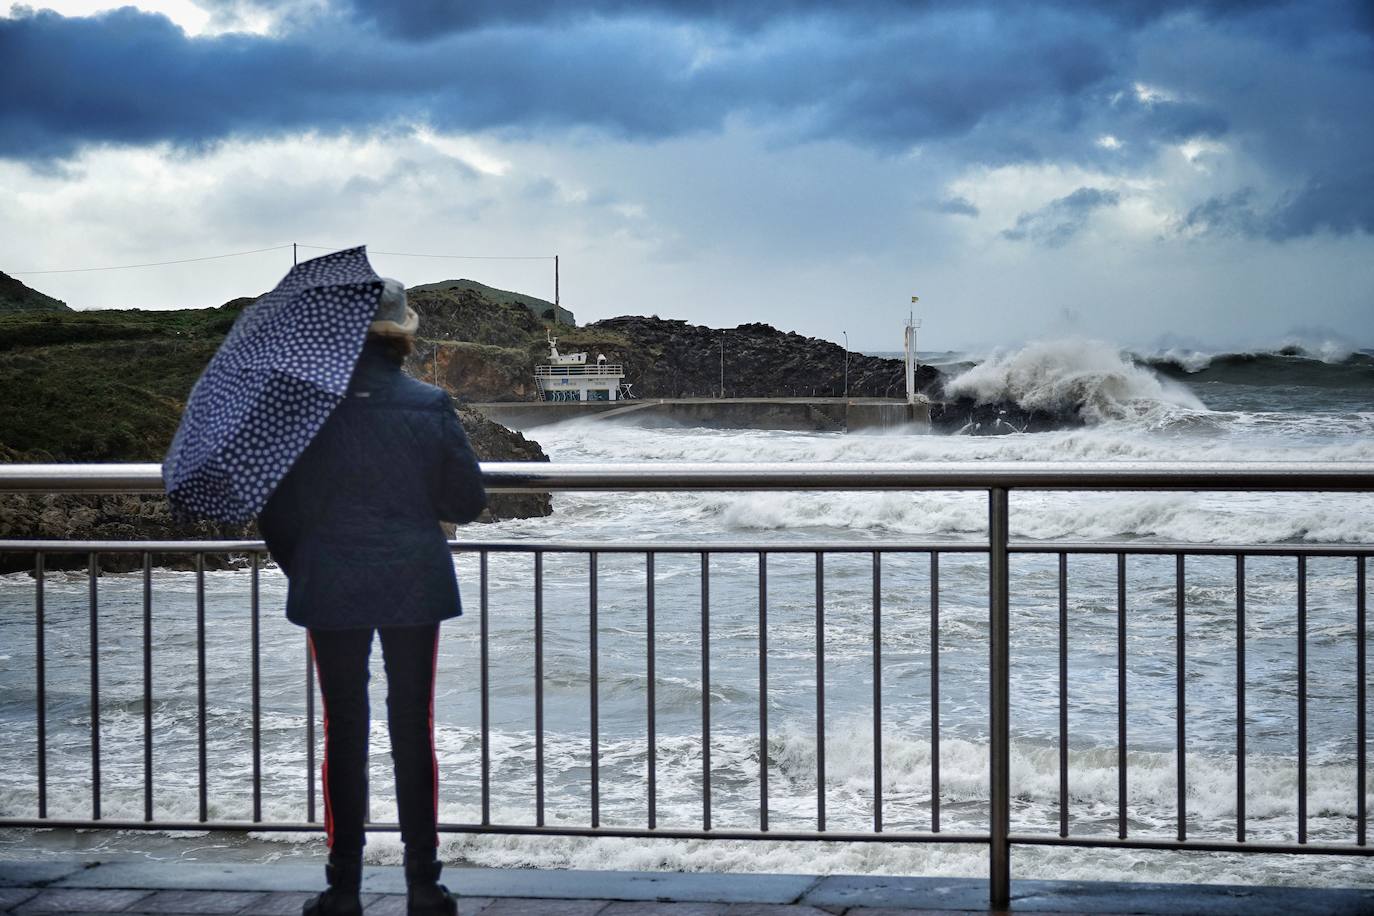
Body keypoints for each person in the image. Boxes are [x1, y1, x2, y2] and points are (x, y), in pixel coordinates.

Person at [258, 278, 487, 916]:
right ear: (401, 334)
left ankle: (342, 888)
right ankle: (424, 885)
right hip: (414, 578)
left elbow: (276, 512)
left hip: (330, 579)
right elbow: (466, 501)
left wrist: (307, 564)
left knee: (344, 728)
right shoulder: (430, 403)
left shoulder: (303, 411)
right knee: (413, 726)